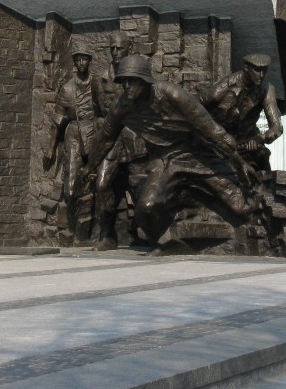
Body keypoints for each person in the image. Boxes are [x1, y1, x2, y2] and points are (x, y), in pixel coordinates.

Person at [90, 54, 257, 253]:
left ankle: (191, 201)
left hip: (196, 154)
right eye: (123, 81)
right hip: (164, 159)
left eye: (132, 81)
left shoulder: (171, 94)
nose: (127, 86)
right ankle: (167, 243)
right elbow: (104, 139)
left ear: (144, 81)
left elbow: (212, 130)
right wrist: (88, 167)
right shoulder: (121, 108)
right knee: (145, 209)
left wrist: (239, 162)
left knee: (240, 207)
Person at [93, 31, 146, 250]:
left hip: (133, 138)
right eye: (112, 48)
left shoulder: (138, 76)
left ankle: (148, 231)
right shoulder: (100, 79)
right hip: (111, 140)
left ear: (129, 49)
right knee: (102, 185)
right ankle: (107, 234)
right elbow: (97, 111)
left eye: (119, 48)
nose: (115, 52)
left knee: (140, 187)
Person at [47, 39, 101, 243]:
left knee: (98, 184)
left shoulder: (97, 85)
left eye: (84, 59)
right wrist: (51, 147)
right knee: (70, 188)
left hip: (94, 133)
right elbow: (58, 120)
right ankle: (71, 229)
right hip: (73, 135)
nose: (81, 63)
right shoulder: (67, 89)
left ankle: (89, 232)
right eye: (77, 60)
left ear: (89, 61)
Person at [200, 53, 283, 174]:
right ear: (246, 68)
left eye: (264, 71)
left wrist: (260, 138)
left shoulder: (267, 89)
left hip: (245, 143)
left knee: (262, 160)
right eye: (257, 70)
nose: (261, 75)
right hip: (220, 143)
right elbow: (198, 102)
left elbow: (277, 127)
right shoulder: (227, 85)